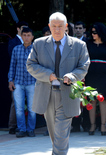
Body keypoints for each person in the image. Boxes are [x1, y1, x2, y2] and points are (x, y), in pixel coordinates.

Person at [26, 12, 90, 155]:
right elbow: (30, 65)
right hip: (46, 95)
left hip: (67, 95)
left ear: (66, 26)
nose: (57, 29)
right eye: (53, 26)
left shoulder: (79, 45)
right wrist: (47, 74)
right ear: (49, 26)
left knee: (61, 133)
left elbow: (84, 66)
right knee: (55, 134)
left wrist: (72, 76)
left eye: (60, 26)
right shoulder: (39, 43)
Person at [84, 22, 106, 136]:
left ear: (101, 33)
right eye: (91, 32)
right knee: (92, 100)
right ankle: (92, 125)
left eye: (95, 32)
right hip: (91, 74)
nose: (92, 34)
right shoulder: (87, 44)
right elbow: (84, 60)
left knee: (103, 100)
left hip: (105, 75)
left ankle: (103, 125)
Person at [8, 27, 36, 138]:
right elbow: (12, 66)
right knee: (19, 108)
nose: (26, 37)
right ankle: (21, 129)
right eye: (24, 35)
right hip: (18, 82)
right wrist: (10, 80)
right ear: (21, 36)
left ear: (32, 37)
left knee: (32, 108)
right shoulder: (16, 49)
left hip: (32, 82)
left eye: (29, 35)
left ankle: (31, 129)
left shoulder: (36, 50)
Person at [7, 21, 28, 135]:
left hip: (29, 77)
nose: (25, 31)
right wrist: (11, 79)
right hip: (16, 76)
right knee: (16, 102)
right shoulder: (13, 42)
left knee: (29, 102)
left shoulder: (30, 42)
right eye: (23, 28)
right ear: (18, 29)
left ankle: (25, 126)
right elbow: (12, 61)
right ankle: (12, 126)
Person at [71, 21, 89, 132]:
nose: (78, 30)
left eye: (80, 28)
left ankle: (86, 124)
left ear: (84, 30)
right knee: (75, 100)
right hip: (74, 74)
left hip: (85, 74)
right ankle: (76, 125)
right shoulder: (70, 42)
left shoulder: (87, 42)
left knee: (86, 100)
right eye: (76, 28)